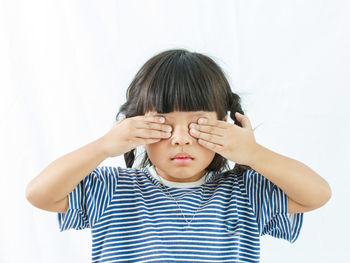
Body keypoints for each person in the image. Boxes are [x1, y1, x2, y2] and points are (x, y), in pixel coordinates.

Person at [25, 49, 332, 262]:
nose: (181, 139)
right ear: (136, 127)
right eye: (162, 124)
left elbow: (317, 194)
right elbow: (39, 194)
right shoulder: (112, 189)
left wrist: (253, 154)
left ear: (224, 124)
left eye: (198, 124)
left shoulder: (245, 192)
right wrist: (104, 146)